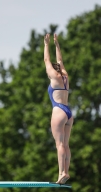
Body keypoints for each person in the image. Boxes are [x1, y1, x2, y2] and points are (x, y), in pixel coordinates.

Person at [44, 33, 73, 184]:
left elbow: (46, 60)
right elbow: (59, 60)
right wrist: (57, 44)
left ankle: (61, 172)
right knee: (66, 144)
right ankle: (66, 171)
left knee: (59, 144)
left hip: (58, 111)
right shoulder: (65, 76)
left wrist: (46, 45)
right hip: (69, 112)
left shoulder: (53, 76)